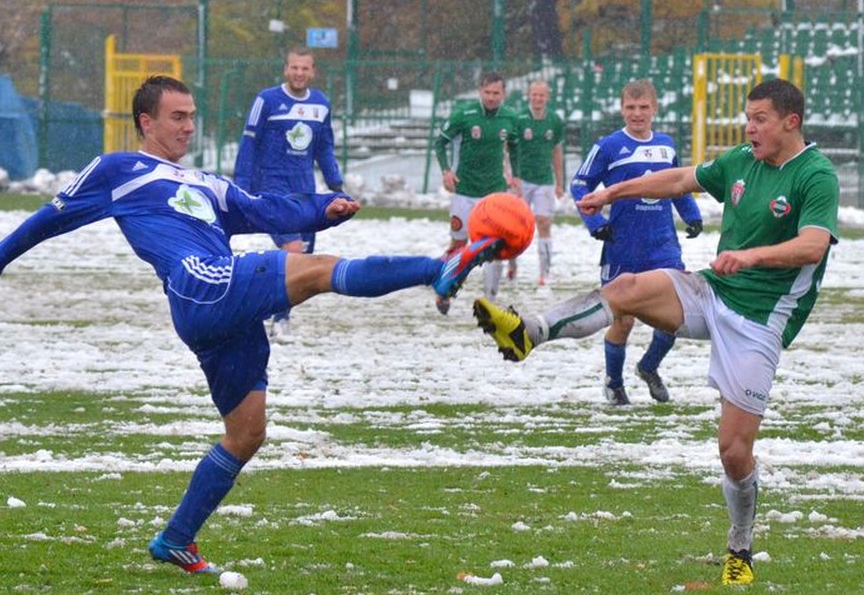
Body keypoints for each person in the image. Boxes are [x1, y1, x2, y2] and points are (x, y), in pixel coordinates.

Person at [0, 75, 501, 575]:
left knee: (246, 432)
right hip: (201, 283)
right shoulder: (118, 170)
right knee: (317, 270)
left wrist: (322, 209)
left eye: (193, 116)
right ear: (145, 122)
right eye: (178, 117)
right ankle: (439, 269)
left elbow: (264, 209)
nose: (189, 127)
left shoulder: (206, 183)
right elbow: (49, 218)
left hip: (217, 312)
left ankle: (177, 538)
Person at [473, 78, 839, 586]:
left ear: (790, 122)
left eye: (759, 119)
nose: (748, 127)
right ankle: (531, 330)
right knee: (626, 288)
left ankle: (740, 548)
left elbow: (813, 246)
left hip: (762, 320)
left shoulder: (816, 175)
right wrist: (612, 192)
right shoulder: (740, 160)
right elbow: (675, 181)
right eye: (747, 117)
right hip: (713, 291)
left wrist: (750, 256)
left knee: (734, 452)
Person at [569, 79, 703, 405]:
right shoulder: (608, 146)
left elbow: (677, 184)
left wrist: (692, 214)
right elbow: (579, 185)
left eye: (644, 107)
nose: (637, 113)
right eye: (631, 107)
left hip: (662, 245)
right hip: (623, 245)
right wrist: (594, 222)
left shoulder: (667, 145)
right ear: (621, 109)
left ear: (655, 109)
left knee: (674, 317)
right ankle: (614, 383)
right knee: (623, 320)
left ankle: (649, 367)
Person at [233, 46, 342, 339]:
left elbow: (324, 147)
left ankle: (275, 312)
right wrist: (242, 185)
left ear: (313, 71)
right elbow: (249, 143)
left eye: (305, 68)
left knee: (302, 258)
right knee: (293, 250)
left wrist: (336, 184)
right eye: (294, 67)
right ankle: (277, 318)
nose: (299, 73)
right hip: (272, 185)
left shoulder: (321, 104)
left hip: (304, 187)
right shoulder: (267, 100)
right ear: (285, 69)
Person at [433, 70, 520, 314]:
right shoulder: (464, 114)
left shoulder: (511, 117)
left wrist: (516, 175)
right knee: (459, 245)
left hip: (494, 195)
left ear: (504, 94)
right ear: (480, 91)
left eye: (496, 93)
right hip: (465, 190)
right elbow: (440, 142)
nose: (492, 97)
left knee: (493, 246)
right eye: (487, 92)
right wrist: (446, 171)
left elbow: (514, 146)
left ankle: (490, 301)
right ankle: (444, 292)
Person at [507, 80, 565, 286]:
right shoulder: (518, 119)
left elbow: (557, 152)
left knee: (544, 222)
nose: (538, 98)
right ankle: (512, 265)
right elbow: (507, 148)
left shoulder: (555, 121)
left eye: (542, 95)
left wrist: (560, 182)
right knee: (513, 226)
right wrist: (509, 173)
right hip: (520, 180)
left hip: (544, 180)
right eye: (534, 94)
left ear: (547, 97)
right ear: (528, 95)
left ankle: (544, 274)